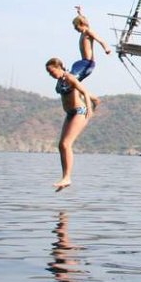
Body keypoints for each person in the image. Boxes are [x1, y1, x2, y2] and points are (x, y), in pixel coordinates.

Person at [45, 57, 101, 191]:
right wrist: (95, 99)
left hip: (80, 112)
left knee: (66, 144)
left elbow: (84, 91)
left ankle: (67, 177)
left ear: (59, 68)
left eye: (52, 71)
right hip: (70, 113)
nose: (51, 74)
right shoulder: (60, 81)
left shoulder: (70, 77)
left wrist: (90, 108)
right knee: (61, 145)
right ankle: (64, 178)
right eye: (49, 73)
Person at [70, 7, 111, 81]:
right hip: (84, 62)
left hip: (88, 63)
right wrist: (79, 13)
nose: (75, 28)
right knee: (74, 71)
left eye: (76, 26)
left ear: (82, 24)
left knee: (72, 77)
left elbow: (101, 41)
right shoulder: (83, 33)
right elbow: (84, 20)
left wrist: (106, 49)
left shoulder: (88, 32)